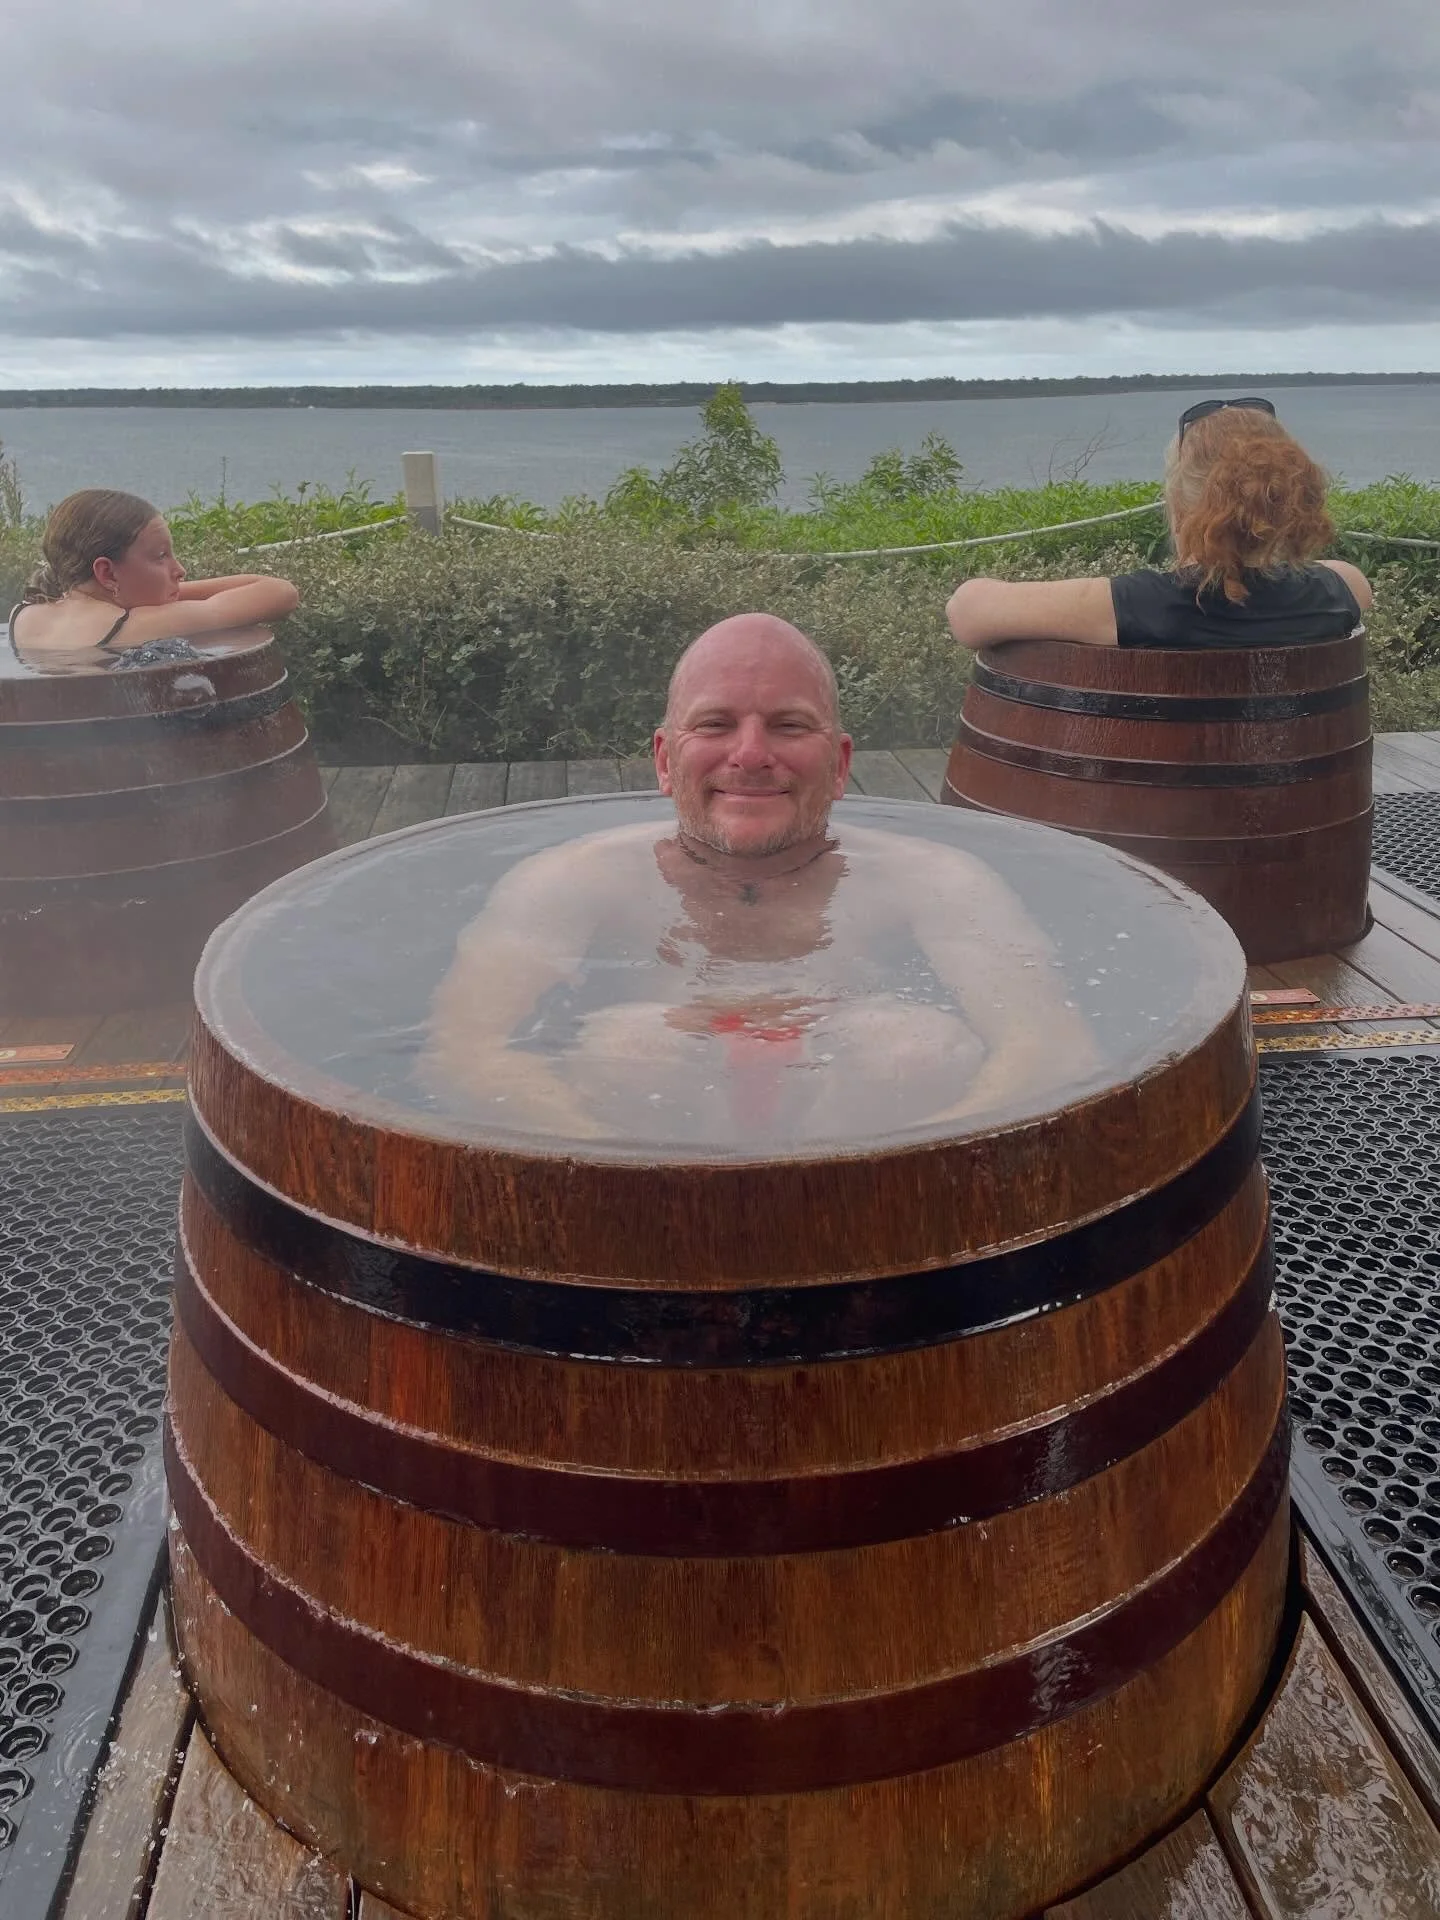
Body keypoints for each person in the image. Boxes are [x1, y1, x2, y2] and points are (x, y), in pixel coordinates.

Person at [422, 613, 1095, 1146]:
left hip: (875, 1170)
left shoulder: (933, 878)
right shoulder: (574, 878)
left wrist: (895, 1177)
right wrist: (622, 1171)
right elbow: (464, 1053)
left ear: (839, 762)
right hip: (638, 1190)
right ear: (664, 759)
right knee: (628, 1048)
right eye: (715, 724)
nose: (749, 755)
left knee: (912, 1047)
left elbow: (1051, 1049)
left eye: (787, 726)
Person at [944, 397, 1373, 652]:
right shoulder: (1344, 589)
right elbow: (1335, 576)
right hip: (1315, 801)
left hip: (1163, 806)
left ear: (1180, 503)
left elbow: (968, 610)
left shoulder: (1142, 605)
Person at [7, 488, 299, 671]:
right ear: (107, 573)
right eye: (161, 556)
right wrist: (173, 596)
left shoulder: (23, 616)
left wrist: (162, 587)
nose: (179, 569)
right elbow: (280, 593)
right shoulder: (137, 625)